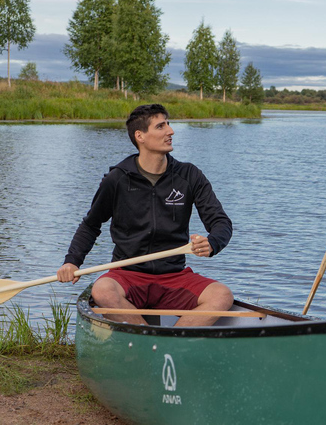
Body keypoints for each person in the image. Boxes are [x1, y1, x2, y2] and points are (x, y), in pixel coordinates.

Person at [57, 103, 234, 326]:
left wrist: (212, 242)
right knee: (102, 290)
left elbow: (221, 222)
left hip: (174, 275)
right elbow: (91, 225)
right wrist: (72, 262)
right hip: (127, 274)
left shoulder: (189, 175)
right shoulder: (117, 179)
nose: (170, 131)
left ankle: (168, 347)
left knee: (222, 295)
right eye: (161, 126)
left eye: (168, 124)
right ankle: (148, 341)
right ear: (140, 136)